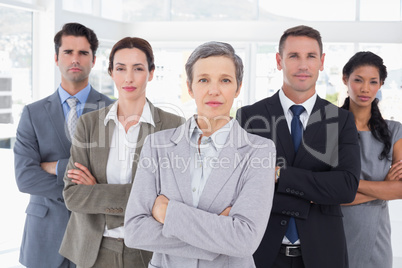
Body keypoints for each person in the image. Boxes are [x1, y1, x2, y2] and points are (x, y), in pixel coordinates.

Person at [124, 41, 276, 267]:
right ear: (189, 87)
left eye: (225, 80)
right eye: (204, 80)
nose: (213, 90)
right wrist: (218, 237)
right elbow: (135, 230)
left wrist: (168, 214)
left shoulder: (259, 151)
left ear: (238, 87)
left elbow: (244, 240)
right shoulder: (157, 145)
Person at [236, 25, 361, 268]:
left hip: (323, 254)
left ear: (322, 61)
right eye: (294, 56)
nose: (303, 65)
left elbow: (345, 188)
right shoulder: (250, 118)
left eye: (310, 56)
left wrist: (278, 176)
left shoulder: (341, 119)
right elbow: (241, 189)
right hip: (260, 254)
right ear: (279, 60)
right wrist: (316, 192)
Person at [58, 37, 184, 268]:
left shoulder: (173, 126)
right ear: (111, 73)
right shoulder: (88, 124)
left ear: (151, 72)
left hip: (149, 252)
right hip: (94, 251)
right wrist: (147, 198)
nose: (128, 77)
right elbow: (74, 196)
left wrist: (97, 192)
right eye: (120, 68)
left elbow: (175, 198)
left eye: (138, 69)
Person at [13, 23, 113, 268]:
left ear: (94, 60)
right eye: (68, 52)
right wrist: (84, 189)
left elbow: (112, 173)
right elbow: (25, 178)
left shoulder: (113, 110)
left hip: (97, 238)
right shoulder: (32, 113)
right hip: (44, 237)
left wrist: (55, 167)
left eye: (83, 53)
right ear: (57, 58)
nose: (75, 59)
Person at [341, 51, 402, 268]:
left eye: (373, 82)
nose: (365, 88)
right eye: (358, 80)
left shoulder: (395, 132)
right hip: (333, 232)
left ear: (381, 84)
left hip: (376, 239)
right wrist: (383, 187)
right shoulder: (327, 130)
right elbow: (319, 194)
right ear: (345, 79)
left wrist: (343, 185)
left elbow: (400, 190)